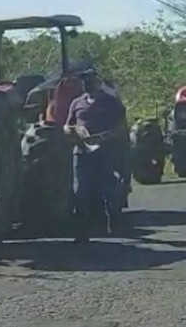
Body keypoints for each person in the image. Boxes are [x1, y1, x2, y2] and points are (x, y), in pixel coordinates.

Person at [63, 69, 128, 243]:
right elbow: (67, 125)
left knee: (109, 189)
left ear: (98, 82)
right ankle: (83, 231)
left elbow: (121, 128)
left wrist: (104, 137)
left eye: (89, 81)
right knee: (81, 190)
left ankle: (114, 224)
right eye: (83, 81)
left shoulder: (112, 103)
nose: (86, 84)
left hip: (106, 152)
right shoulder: (76, 103)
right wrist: (72, 131)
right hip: (82, 151)